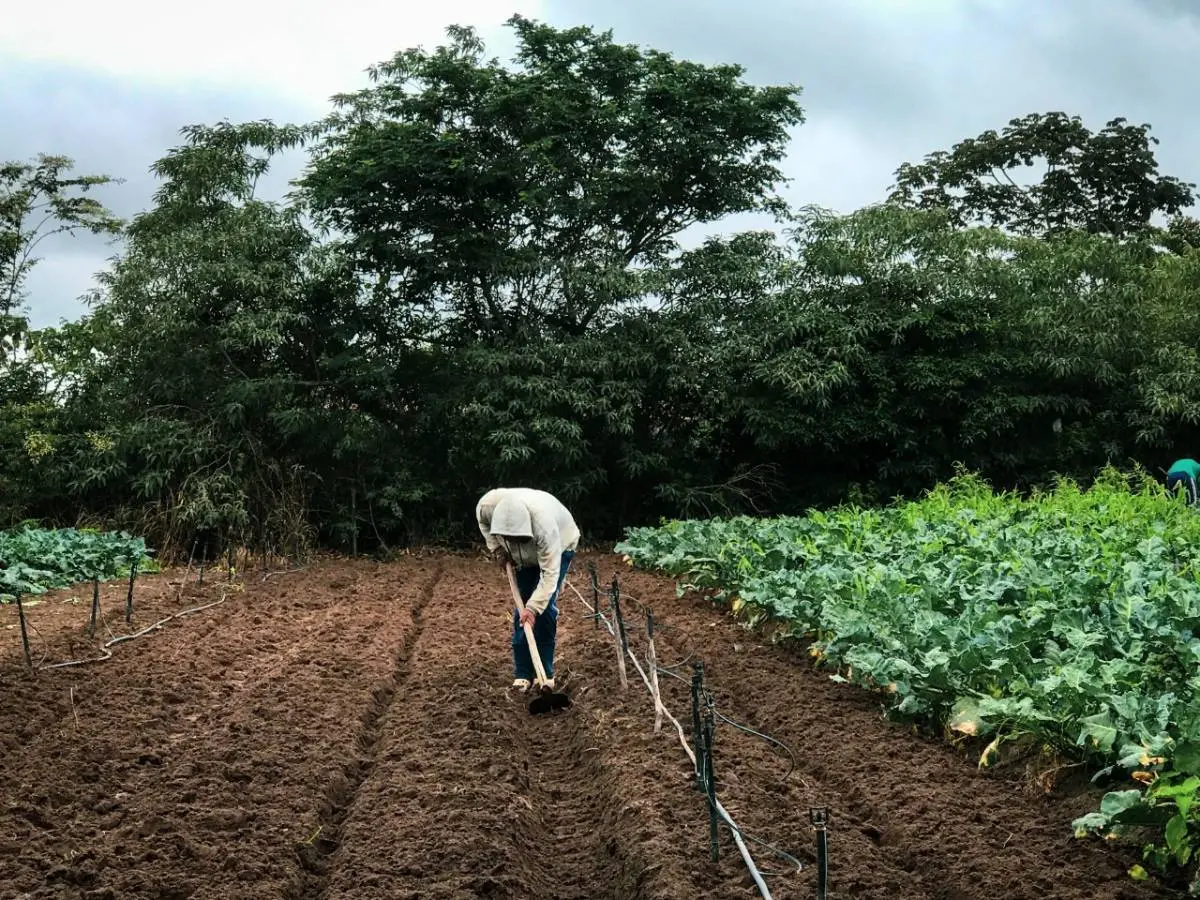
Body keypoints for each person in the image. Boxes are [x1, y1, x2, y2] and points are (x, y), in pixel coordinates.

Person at [476, 487, 580, 692]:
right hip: (521, 559)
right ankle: (523, 673)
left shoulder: (544, 527)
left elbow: (549, 576)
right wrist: (497, 549)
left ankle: (546, 674)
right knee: (521, 607)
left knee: (544, 608)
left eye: (519, 539)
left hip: (561, 545)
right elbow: (484, 525)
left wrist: (533, 608)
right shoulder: (487, 507)